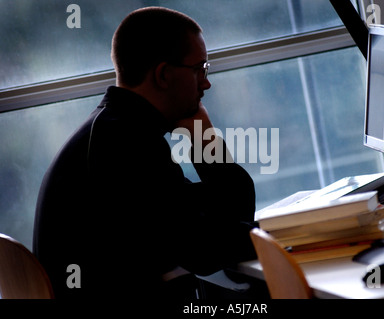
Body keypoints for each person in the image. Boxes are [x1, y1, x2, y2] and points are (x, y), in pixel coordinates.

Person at [33, 7, 257, 300]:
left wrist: (202, 138)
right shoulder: (125, 143)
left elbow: (211, 217)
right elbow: (203, 251)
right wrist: (277, 237)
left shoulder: (112, 129)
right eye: (199, 69)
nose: (206, 83)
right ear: (164, 75)